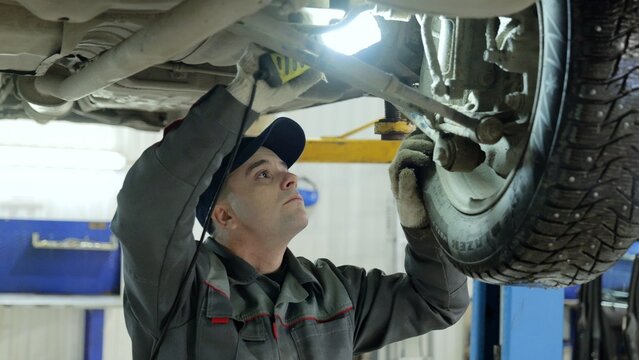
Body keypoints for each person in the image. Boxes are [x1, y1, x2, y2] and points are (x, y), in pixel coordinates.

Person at [111, 45, 469, 360]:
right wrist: (239, 99)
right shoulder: (179, 288)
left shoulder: (333, 292)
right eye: (262, 174)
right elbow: (146, 211)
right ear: (224, 214)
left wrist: (423, 225)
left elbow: (438, 303)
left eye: (284, 168)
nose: (291, 177)